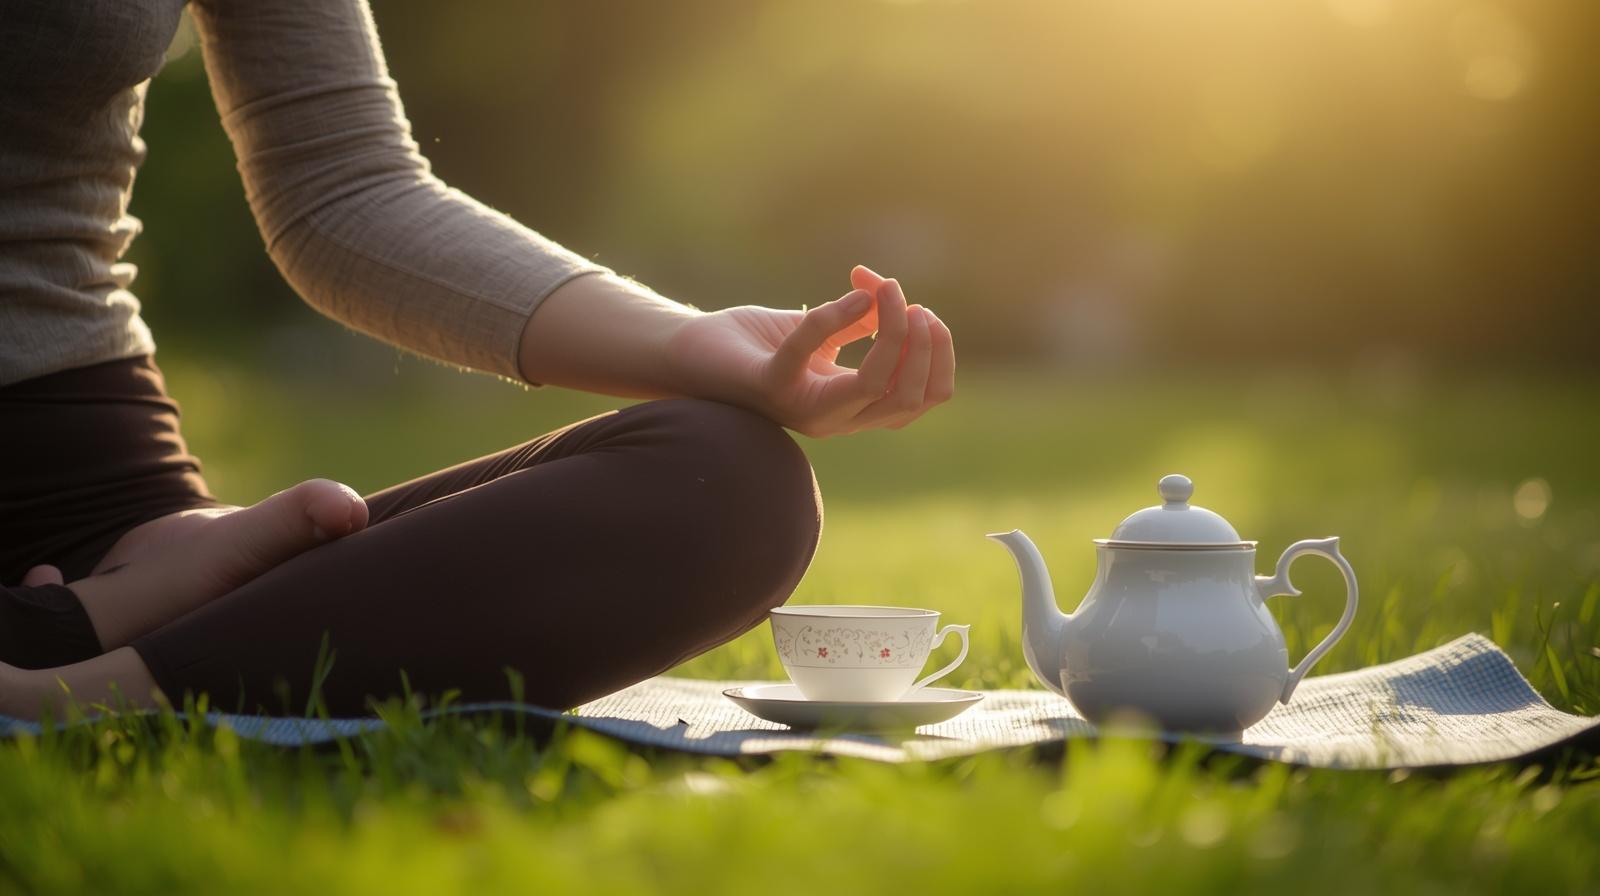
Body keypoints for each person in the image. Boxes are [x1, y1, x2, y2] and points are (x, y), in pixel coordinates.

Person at [0, 0, 954, 719]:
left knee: (730, 484)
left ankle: (81, 688)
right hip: (112, 588)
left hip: (98, 499)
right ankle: (67, 651)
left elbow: (344, 186)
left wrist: (691, 344)